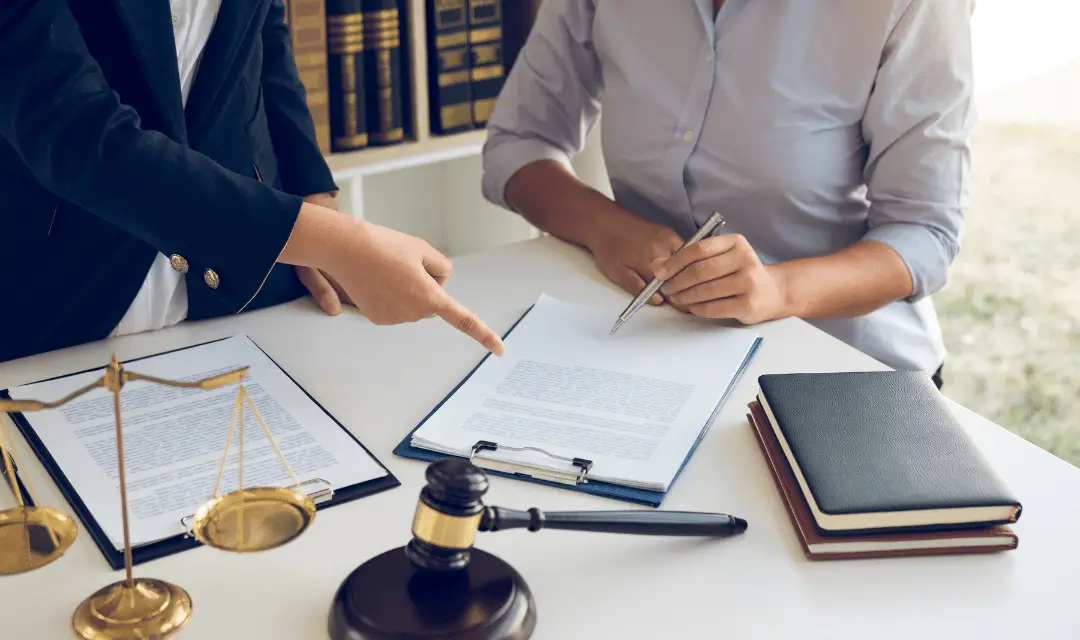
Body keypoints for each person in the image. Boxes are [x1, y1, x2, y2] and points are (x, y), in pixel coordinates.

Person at [481, 0, 975, 388]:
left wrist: (778, 290)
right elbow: (518, 143)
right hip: (656, 351)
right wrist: (604, 227)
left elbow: (924, 233)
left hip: (844, 370)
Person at [0, 0, 503, 363]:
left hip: (247, 298)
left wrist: (313, 193)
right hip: (62, 300)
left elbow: (264, 34)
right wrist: (333, 242)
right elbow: (77, 133)